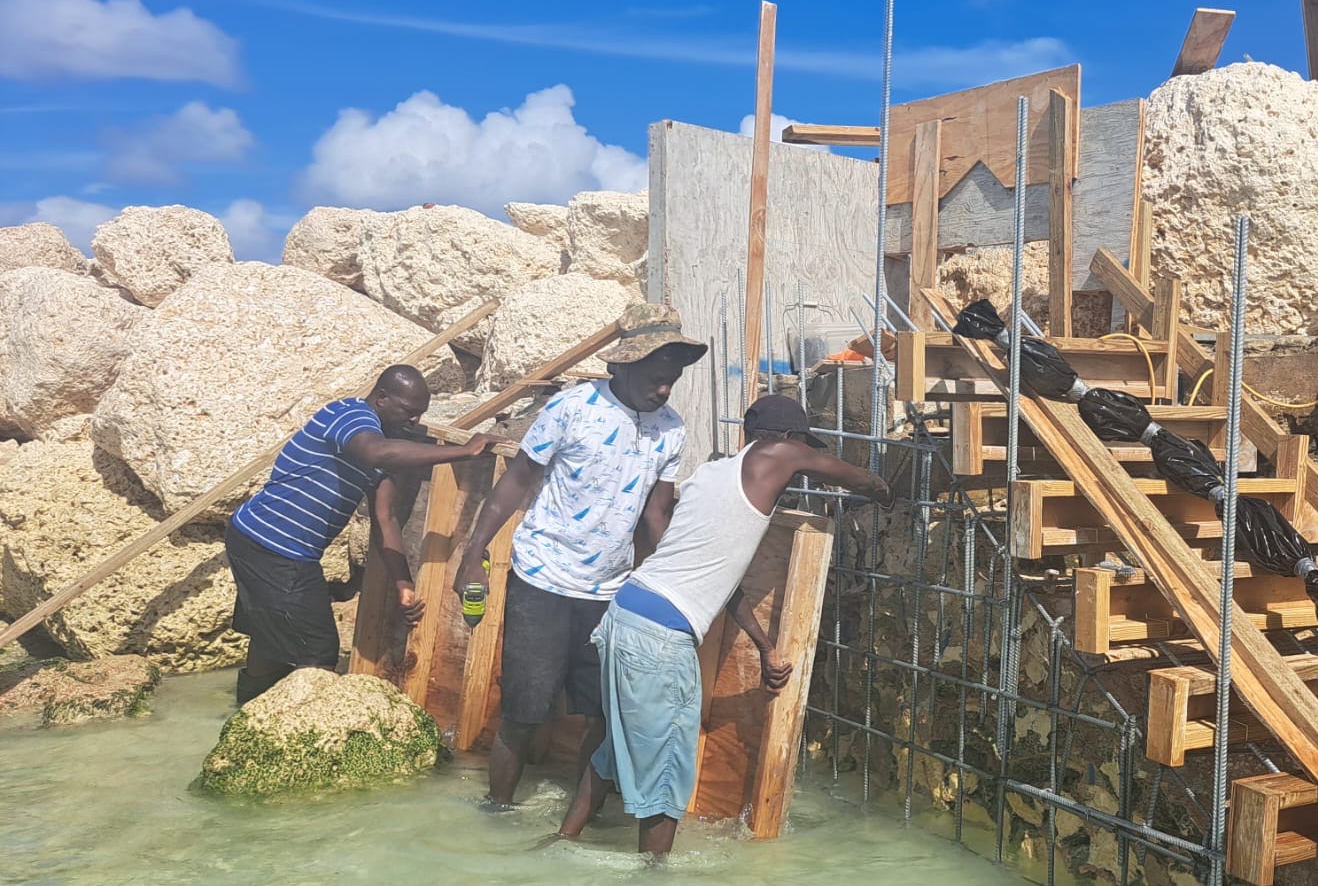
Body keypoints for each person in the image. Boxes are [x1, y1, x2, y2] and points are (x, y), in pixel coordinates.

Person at [556, 392, 892, 856]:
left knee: (617, 748)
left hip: (626, 616)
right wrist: (885, 491)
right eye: (799, 446)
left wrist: (764, 646)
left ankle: (562, 839)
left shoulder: (709, 476)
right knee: (667, 771)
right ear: (786, 439)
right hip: (659, 638)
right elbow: (851, 476)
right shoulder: (777, 454)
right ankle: (653, 881)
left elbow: (722, 584)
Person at [453, 304, 705, 808]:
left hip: (610, 592)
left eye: (672, 380)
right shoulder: (571, 408)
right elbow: (517, 481)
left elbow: (656, 515)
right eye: (656, 379)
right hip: (542, 578)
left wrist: (679, 588)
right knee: (525, 709)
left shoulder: (671, 430)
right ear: (624, 366)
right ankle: (497, 811)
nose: (664, 390)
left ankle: (577, 823)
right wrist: (473, 552)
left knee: (603, 714)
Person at [226, 365, 490, 704]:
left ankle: (247, 709)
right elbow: (375, 451)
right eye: (409, 412)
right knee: (318, 652)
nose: (415, 421)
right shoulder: (349, 415)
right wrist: (465, 450)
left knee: (269, 634)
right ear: (381, 399)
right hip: (274, 546)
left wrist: (403, 583)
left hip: (264, 541)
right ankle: (296, 725)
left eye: (420, 414)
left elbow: (385, 519)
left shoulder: (380, 449)